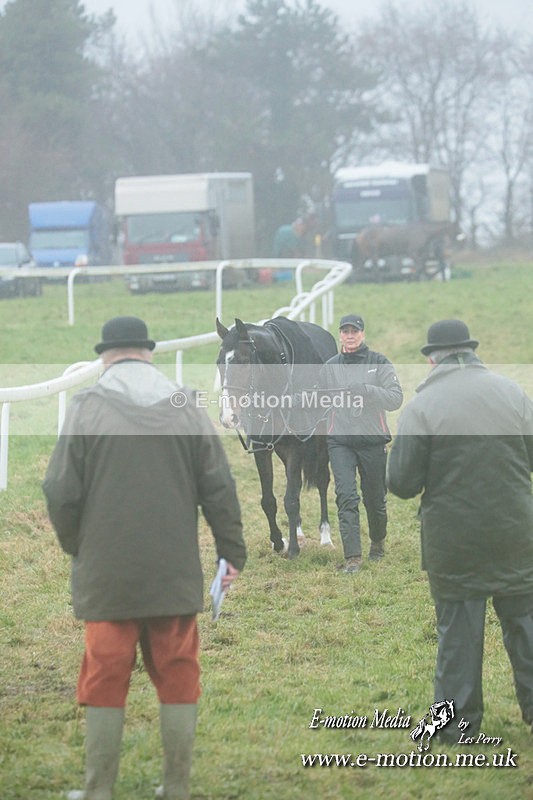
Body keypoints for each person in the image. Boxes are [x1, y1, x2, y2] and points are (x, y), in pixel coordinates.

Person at [43, 316, 247, 800]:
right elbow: (219, 486)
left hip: (108, 574)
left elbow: (59, 490)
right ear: (148, 352)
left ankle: (98, 792)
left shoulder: (87, 406)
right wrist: (230, 551)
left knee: (105, 674)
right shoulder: (185, 404)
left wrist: (78, 546)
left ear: (106, 356)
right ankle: (176, 788)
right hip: (173, 571)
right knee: (179, 673)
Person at [387, 319, 533, 743]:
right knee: (525, 623)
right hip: (517, 532)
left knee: (459, 636)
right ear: (470, 351)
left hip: (454, 541)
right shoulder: (513, 393)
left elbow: (402, 484)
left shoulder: (422, 407)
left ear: (433, 358)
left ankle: (457, 724)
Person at [321, 314, 403, 573]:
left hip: (372, 440)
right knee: (346, 496)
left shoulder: (379, 362)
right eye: (345, 331)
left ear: (363, 334)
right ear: (340, 335)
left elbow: (395, 399)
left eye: (354, 331)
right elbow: (318, 400)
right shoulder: (330, 366)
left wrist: (367, 390)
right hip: (340, 442)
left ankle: (377, 541)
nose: (350, 335)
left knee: (375, 499)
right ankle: (352, 558)